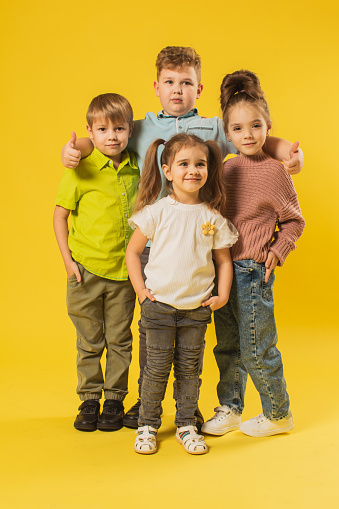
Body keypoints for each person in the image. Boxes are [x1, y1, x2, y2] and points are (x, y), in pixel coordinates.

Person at [60, 46, 304, 430]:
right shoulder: (138, 128)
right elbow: (106, 134)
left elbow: (253, 134)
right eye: (170, 83)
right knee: (152, 328)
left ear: (199, 88)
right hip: (153, 244)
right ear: (156, 87)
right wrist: (74, 150)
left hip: (198, 244)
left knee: (194, 329)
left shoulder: (214, 127)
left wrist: (292, 152)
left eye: (186, 83)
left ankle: (192, 404)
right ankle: (147, 399)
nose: (177, 90)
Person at [202, 70, 305, 438]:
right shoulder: (224, 169)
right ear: (227, 134)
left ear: (268, 127)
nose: (248, 134)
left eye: (256, 126)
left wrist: (278, 249)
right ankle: (230, 407)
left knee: (257, 347)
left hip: (252, 273)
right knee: (227, 345)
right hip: (223, 269)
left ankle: (279, 413)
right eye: (239, 128)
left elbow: (294, 221)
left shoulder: (276, 173)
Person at [125, 133, 238, 454]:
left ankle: (186, 423)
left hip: (196, 310)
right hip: (158, 306)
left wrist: (223, 295)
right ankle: (147, 423)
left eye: (200, 164)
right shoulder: (157, 211)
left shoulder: (212, 217)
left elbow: (223, 261)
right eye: (184, 164)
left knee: (190, 370)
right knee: (156, 368)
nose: (193, 170)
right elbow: (133, 253)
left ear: (208, 169)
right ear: (167, 170)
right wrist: (142, 292)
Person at [53, 93, 139, 432]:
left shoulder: (137, 166)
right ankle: (89, 399)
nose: (111, 136)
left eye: (119, 128)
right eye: (102, 129)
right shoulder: (80, 168)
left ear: (130, 130)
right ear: (90, 130)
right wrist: (67, 261)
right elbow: (60, 216)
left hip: (123, 274)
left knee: (120, 339)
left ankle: (114, 400)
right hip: (85, 270)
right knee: (89, 340)